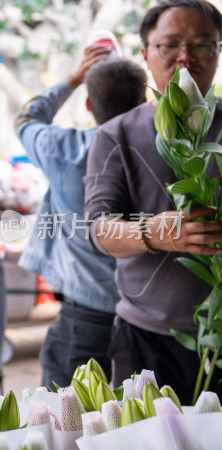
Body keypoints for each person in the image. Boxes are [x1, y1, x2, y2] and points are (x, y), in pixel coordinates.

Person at [84, 0, 222, 403]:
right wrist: (154, 232)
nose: (185, 58)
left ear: (217, 51)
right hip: (149, 341)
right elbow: (97, 230)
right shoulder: (116, 136)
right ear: (145, 54)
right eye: (170, 45)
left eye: (202, 45)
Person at [16, 49, 147, 389]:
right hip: (148, 317)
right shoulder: (164, 151)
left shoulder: (65, 148)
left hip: (85, 317)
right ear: (144, 99)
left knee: (68, 427)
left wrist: (74, 78)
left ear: (89, 105)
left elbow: (27, 119)